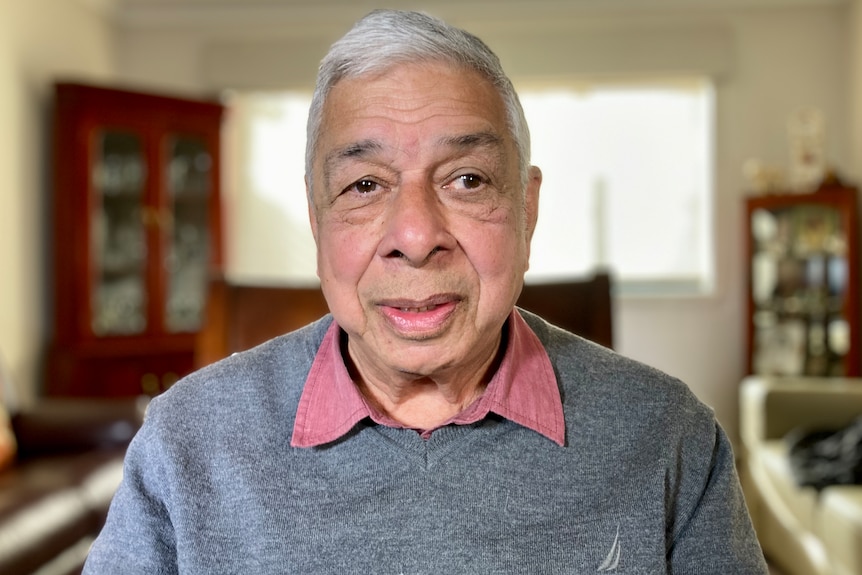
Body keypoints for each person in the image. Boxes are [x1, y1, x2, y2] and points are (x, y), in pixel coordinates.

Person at [84, 9, 768, 574]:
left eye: (466, 179)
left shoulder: (670, 440)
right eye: (364, 185)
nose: (415, 235)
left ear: (527, 210)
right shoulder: (186, 443)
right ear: (317, 217)